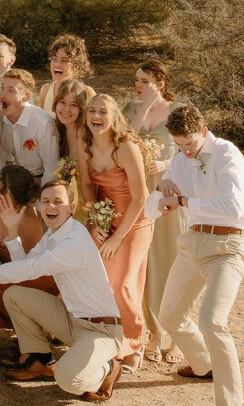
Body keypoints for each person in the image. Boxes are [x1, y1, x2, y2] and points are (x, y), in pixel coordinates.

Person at [0, 180, 124, 400]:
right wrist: (13, 229)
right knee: (14, 295)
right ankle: (40, 360)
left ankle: (108, 367)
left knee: (68, 379)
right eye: (46, 202)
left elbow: (31, 269)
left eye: (58, 202)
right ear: (39, 207)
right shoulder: (52, 235)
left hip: (102, 330)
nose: (51, 207)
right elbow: (26, 264)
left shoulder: (74, 241)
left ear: (71, 207)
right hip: (73, 321)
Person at [145, 103, 244, 406]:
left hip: (227, 246)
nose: (185, 151)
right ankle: (205, 364)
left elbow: (235, 208)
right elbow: (158, 201)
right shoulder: (179, 159)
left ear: (203, 131)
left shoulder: (226, 154)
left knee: (212, 321)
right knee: (169, 316)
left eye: (189, 143)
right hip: (192, 243)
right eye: (178, 145)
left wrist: (185, 199)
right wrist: (158, 199)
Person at [77, 93, 153, 373]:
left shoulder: (125, 148)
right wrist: (96, 219)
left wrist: (119, 236)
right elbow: (86, 185)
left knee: (122, 283)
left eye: (103, 112)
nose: (96, 116)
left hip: (135, 221)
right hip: (103, 216)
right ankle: (105, 336)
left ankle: (133, 344)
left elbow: (141, 196)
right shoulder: (82, 143)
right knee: (98, 277)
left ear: (114, 118)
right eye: (92, 111)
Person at [124, 59, 186, 364]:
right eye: (136, 80)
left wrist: (166, 164)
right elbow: (126, 142)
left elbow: (194, 151)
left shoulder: (179, 111)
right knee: (143, 261)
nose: (138, 86)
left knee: (171, 259)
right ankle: (152, 332)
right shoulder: (130, 109)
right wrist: (145, 109)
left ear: (160, 83)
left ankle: (176, 335)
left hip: (169, 188)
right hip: (138, 188)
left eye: (144, 81)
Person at [0, 164, 58, 339]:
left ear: (8, 194)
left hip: (34, 279)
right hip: (12, 271)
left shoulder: (29, 222)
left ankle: (28, 332)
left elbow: (28, 271)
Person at [0, 69, 59, 183]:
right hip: (12, 178)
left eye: (11, 91)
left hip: (40, 178)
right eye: (2, 88)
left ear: (26, 97)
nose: (2, 94)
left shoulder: (43, 123)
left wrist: (42, 198)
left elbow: (51, 168)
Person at [52, 78, 93, 223]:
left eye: (73, 105)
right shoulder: (55, 130)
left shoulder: (87, 135)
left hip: (88, 203)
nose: (66, 109)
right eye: (62, 102)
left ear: (81, 108)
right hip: (65, 204)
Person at [39, 33, 92, 116]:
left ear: (75, 65)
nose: (57, 64)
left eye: (64, 60)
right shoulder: (45, 90)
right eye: (54, 59)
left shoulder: (86, 92)